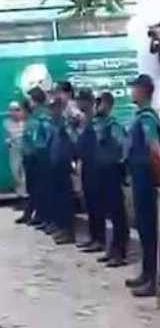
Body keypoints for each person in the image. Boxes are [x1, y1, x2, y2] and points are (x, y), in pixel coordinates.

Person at [125, 74, 160, 297]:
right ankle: (146, 274)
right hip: (139, 177)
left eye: (134, 88)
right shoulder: (140, 115)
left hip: (146, 179)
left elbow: (154, 146)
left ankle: (152, 280)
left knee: (149, 229)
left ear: (143, 91)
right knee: (143, 229)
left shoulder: (147, 117)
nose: (131, 92)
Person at [92, 92, 129, 268]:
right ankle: (112, 248)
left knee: (117, 213)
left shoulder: (113, 125)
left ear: (107, 105)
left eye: (100, 103)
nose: (97, 106)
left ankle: (120, 252)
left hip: (113, 173)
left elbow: (122, 145)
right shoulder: (99, 123)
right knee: (110, 214)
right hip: (102, 173)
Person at [74, 89, 104, 253]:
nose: (78, 103)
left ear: (87, 102)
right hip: (86, 164)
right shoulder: (84, 120)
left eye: (80, 100)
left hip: (94, 166)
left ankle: (100, 239)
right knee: (90, 204)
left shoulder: (93, 120)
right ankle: (94, 237)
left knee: (96, 204)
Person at [23, 88, 53, 232]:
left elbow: (45, 138)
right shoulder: (35, 115)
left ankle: (45, 217)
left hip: (41, 155)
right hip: (36, 155)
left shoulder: (43, 115)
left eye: (30, 99)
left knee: (43, 189)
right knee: (37, 188)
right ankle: (41, 216)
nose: (29, 102)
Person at [48, 94, 76, 245]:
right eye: (51, 108)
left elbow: (71, 142)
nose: (52, 111)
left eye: (54, 108)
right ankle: (62, 228)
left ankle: (68, 231)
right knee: (58, 199)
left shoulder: (65, 124)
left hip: (64, 165)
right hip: (56, 165)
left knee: (65, 200)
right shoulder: (55, 124)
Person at [4, 101, 27, 204]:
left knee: (25, 172)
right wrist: (9, 142)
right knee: (15, 172)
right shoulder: (7, 123)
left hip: (25, 149)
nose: (15, 112)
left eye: (17, 110)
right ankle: (20, 192)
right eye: (13, 110)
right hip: (14, 149)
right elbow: (6, 137)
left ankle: (23, 195)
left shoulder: (25, 122)